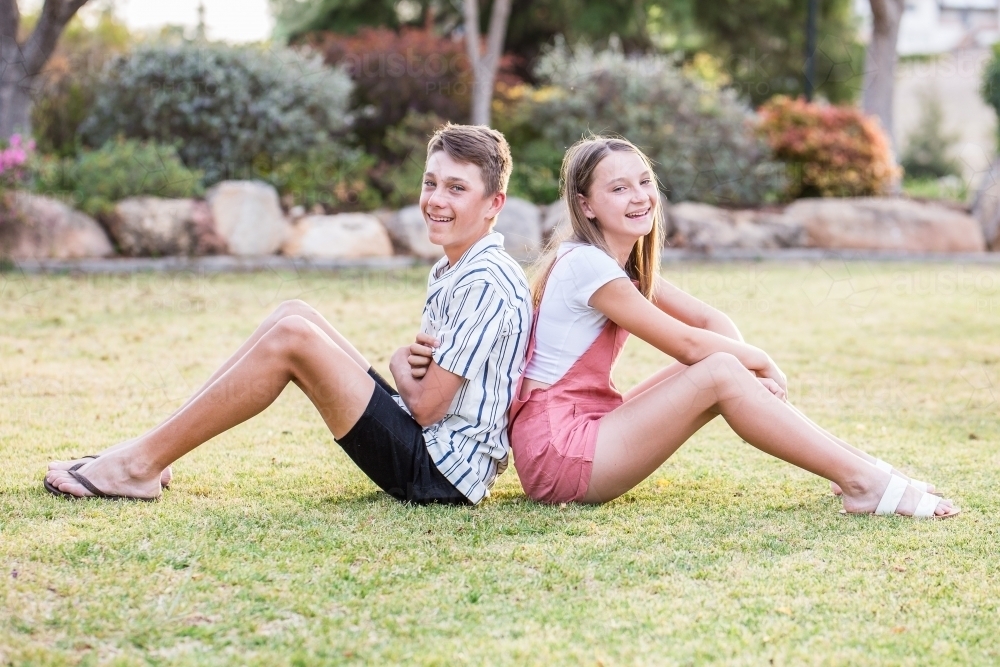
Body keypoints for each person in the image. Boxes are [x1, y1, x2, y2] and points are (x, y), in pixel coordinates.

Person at [45, 123, 531, 505]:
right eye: (431, 183)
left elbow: (427, 407)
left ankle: (138, 466)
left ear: (494, 204)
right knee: (293, 312)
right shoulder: (459, 266)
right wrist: (408, 372)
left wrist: (401, 368)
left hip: (437, 474)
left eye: (457, 188)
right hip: (426, 443)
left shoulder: (485, 279)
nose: (436, 200)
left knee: (293, 337)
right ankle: (151, 450)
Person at [507, 135, 959, 518]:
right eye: (619, 188)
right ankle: (864, 482)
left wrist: (746, 374)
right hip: (560, 454)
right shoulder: (586, 264)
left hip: (584, 429)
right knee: (719, 369)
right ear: (585, 206)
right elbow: (685, 343)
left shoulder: (614, 263)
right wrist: (758, 362)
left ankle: (865, 473)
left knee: (724, 367)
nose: (640, 196)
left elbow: (708, 320)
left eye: (644, 181)